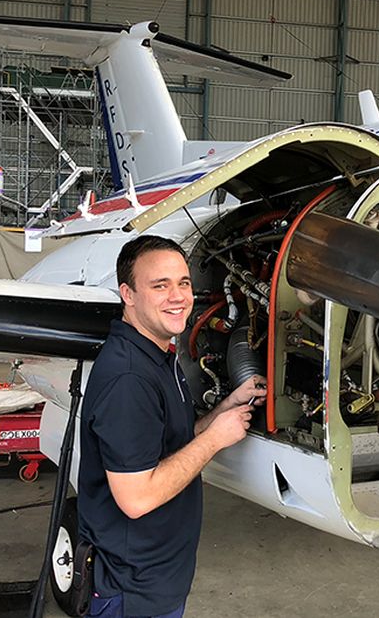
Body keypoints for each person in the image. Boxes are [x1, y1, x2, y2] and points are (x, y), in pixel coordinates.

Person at [78, 235, 266, 617]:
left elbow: (173, 443)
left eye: (183, 283)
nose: (178, 296)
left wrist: (223, 408)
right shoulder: (129, 379)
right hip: (133, 593)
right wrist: (215, 439)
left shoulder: (157, 354)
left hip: (158, 579)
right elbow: (137, 498)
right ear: (127, 294)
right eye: (160, 286)